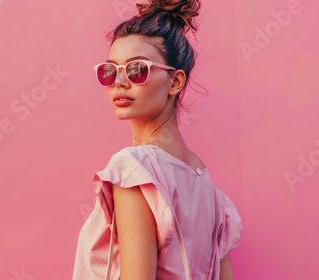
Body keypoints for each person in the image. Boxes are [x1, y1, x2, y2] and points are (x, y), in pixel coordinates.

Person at [72, 0, 242, 279]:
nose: (120, 82)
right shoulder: (208, 187)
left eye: (137, 69)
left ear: (175, 82)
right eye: (109, 71)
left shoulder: (134, 170)